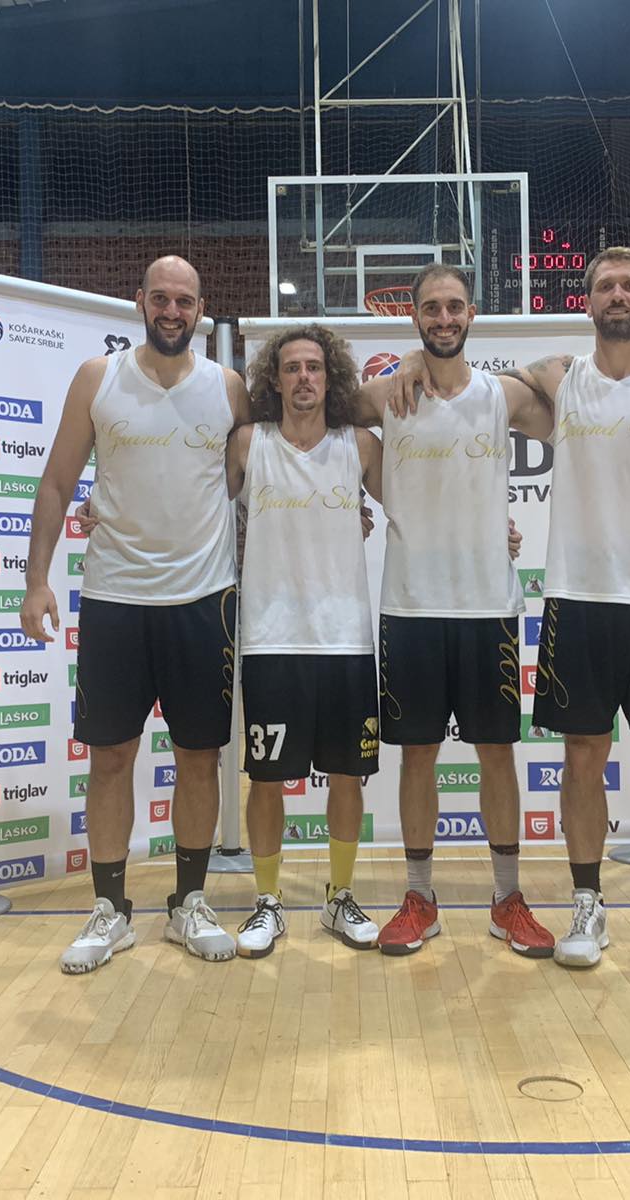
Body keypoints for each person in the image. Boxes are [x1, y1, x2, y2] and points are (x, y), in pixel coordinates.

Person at [394, 247, 630, 973]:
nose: (617, 295)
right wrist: (415, 360)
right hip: (578, 599)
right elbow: (465, 378)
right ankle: (587, 902)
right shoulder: (561, 381)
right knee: (583, 758)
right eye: (605, 286)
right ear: (588, 302)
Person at [21, 255, 246, 975]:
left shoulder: (228, 387)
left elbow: (268, 472)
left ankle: (188, 903)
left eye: (185, 301)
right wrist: (36, 580)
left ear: (201, 310)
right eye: (161, 298)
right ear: (139, 302)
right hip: (115, 598)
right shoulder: (98, 377)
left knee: (199, 758)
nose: (172, 311)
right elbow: (56, 483)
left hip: (204, 602)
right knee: (111, 757)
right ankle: (111, 910)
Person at [350, 263, 558, 959]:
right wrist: (406, 366)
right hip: (410, 607)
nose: (444, 318)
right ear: (413, 317)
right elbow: (310, 412)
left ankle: (507, 899)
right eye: (432, 309)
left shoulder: (503, 394)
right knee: (418, 755)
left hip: (488, 605)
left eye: (454, 307)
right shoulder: (387, 394)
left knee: (497, 754)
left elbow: (576, 393)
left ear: (472, 315)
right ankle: (420, 898)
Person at [224, 325, 384, 959]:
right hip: (271, 641)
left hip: (346, 642)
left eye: (314, 367)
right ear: (274, 379)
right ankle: (268, 901)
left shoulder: (360, 446)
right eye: (291, 368)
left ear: (331, 376)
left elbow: (420, 506)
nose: (304, 378)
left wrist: (493, 530)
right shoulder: (248, 443)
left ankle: (339, 896)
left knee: (348, 777)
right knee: (266, 781)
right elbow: (190, 501)